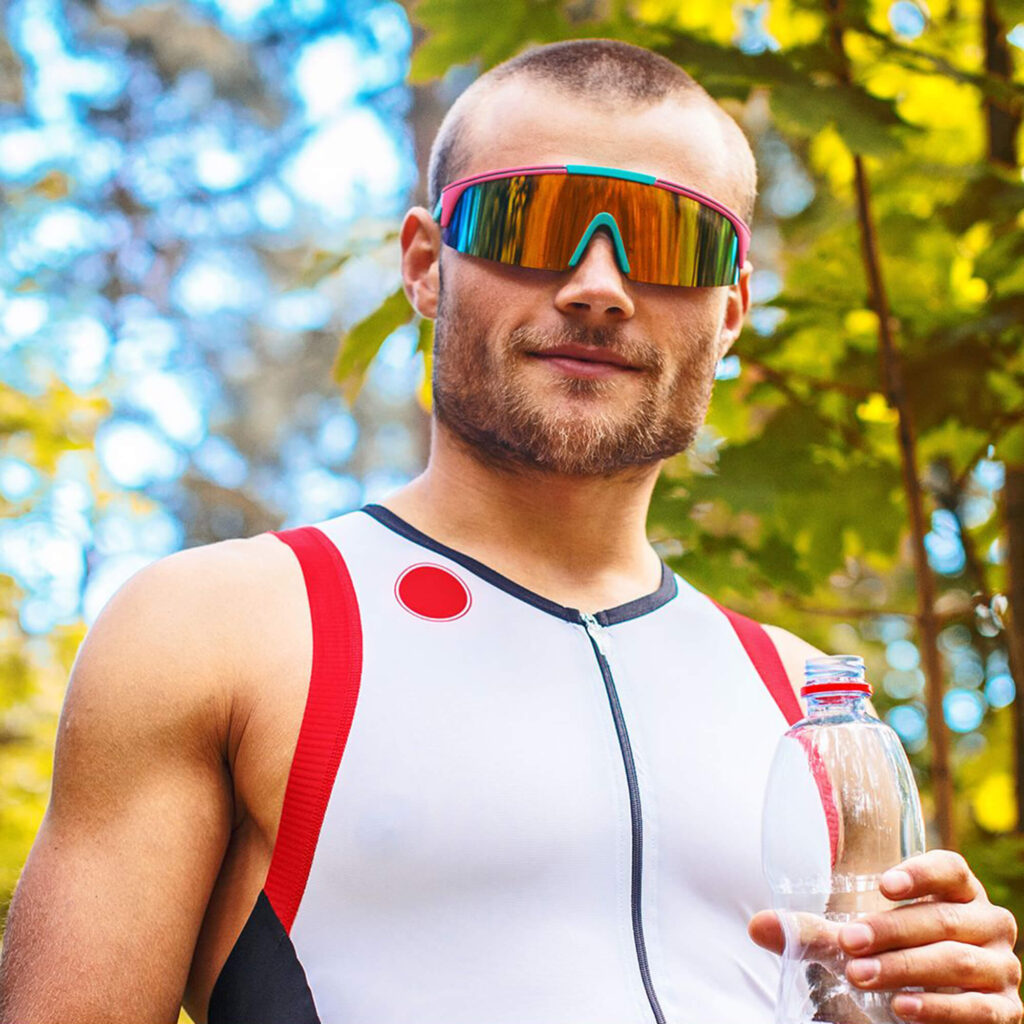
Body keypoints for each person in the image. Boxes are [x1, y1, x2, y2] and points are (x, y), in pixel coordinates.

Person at [0, 38, 1019, 1024]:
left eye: (670, 240)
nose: (598, 287)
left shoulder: (812, 703)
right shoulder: (220, 628)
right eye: (532, 222)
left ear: (731, 309)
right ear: (424, 264)